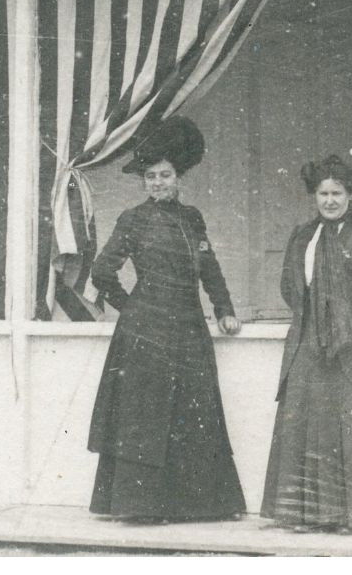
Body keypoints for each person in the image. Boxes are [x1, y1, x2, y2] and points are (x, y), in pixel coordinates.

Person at [86, 115, 246, 522]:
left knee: (192, 412)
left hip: (190, 329)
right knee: (147, 415)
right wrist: (133, 307)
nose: (157, 182)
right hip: (146, 334)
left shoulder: (193, 219)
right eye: (151, 177)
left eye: (165, 175)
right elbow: (102, 272)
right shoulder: (133, 219)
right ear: (144, 182)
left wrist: (224, 310)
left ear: (179, 178)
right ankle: (139, 507)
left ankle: (194, 506)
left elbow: (210, 271)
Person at [260, 154, 352, 531]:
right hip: (309, 343)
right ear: (315, 195)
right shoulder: (302, 236)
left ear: (351, 195)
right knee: (307, 424)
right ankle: (306, 515)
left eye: (337, 193)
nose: (330, 200)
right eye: (323, 193)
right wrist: (313, 317)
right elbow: (288, 286)